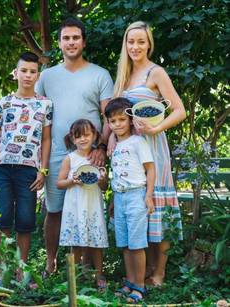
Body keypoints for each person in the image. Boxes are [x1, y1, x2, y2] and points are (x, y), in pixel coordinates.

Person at [35, 17, 113, 276]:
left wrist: (101, 147)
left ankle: (87, 269)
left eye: (75, 37)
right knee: (54, 210)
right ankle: (51, 264)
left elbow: (108, 116)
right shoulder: (47, 76)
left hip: (89, 154)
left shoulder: (100, 74)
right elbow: (36, 113)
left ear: (84, 42)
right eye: (66, 38)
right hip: (57, 153)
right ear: (59, 43)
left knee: (88, 209)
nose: (71, 42)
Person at [112, 21, 186, 287]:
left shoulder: (156, 73)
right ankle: (143, 270)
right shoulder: (123, 75)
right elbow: (116, 114)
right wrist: (111, 140)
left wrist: (156, 129)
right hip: (128, 152)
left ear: (149, 44)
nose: (135, 47)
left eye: (141, 42)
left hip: (153, 147)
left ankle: (159, 272)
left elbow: (179, 110)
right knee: (139, 206)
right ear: (126, 44)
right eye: (131, 42)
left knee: (157, 204)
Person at [0, 51, 52, 280]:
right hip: (1, 167)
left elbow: (46, 139)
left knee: (25, 221)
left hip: (28, 170)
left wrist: (43, 170)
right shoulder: (3, 103)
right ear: (16, 73)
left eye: (32, 72)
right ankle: (2, 270)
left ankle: (22, 271)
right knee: (2, 219)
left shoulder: (45, 105)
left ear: (37, 76)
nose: (28, 76)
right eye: (24, 71)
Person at [105, 97, 155, 303]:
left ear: (130, 120)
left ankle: (140, 286)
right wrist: (113, 201)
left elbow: (150, 169)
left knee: (137, 244)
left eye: (121, 120)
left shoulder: (138, 142)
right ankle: (130, 282)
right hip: (120, 197)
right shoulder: (114, 146)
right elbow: (117, 175)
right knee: (125, 244)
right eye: (113, 121)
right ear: (108, 123)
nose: (117, 124)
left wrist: (148, 196)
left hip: (137, 196)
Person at [56, 119, 108, 290]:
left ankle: (99, 274)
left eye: (87, 135)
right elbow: (60, 183)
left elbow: (104, 187)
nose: (83, 139)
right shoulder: (70, 158)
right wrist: (72, 181)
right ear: (72, 139)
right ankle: (75, 276)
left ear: (94, 136)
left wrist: (102, 178)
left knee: (96, 241)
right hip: (75, 203)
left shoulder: (97, 157)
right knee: (76, 242)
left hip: (93, 203)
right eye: (78, 136)